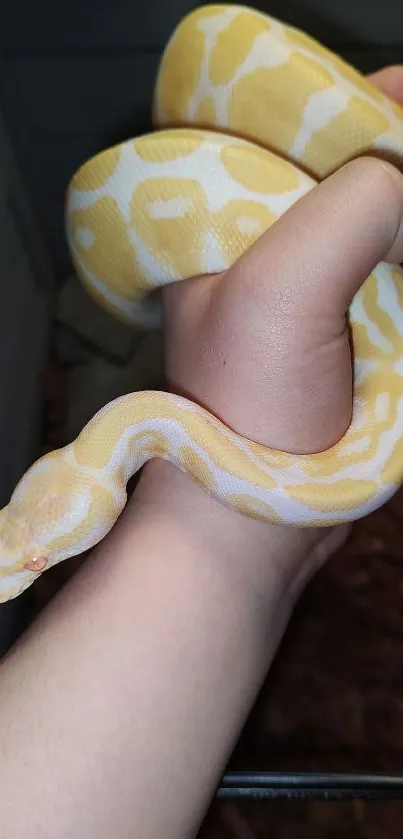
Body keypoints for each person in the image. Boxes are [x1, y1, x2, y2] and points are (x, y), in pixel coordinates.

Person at [0, 65, 403, 839]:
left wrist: (242, 546)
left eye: (37, 559)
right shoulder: (144, 428)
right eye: (37, 558)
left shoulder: (155, 428)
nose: (29, 563)